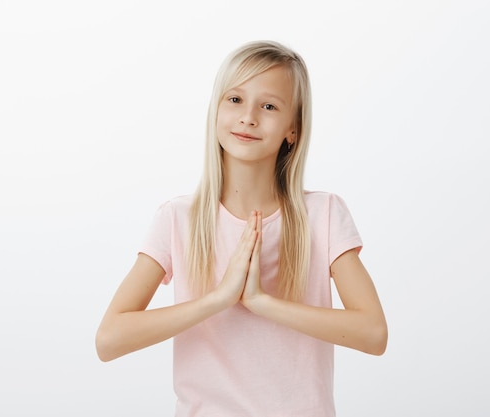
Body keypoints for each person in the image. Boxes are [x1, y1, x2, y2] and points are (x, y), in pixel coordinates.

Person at [95, 40, 387, 416]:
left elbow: (373, 334)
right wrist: (218, 298)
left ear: (292, 130)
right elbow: (109, 340)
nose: (248, 117)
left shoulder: (323, 214)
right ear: (216, 109)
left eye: (268, 106)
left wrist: (262, 303)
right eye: (235, 100)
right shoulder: (176, 218)